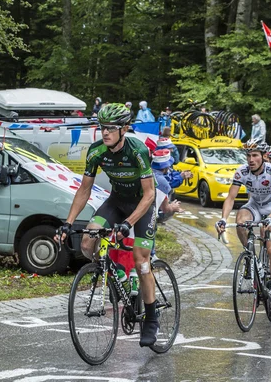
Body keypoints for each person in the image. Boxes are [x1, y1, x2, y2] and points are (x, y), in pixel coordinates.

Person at [55, 103, 160, 347]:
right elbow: (84, 189)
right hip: (116, 202)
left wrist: (128, 223)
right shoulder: (96, 151)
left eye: (110, 128)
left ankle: (152, 317)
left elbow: (149, 195)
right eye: (102, 128)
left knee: (142, 262)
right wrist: (68, 222)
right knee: (88, 239)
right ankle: (120, 276)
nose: (105, 133)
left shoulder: (137, 151)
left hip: (142, 205)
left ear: (124, 129)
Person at [215, 138, 271, 317]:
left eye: (255, 155)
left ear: (263, 156)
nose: (251, 159)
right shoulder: (242, 172)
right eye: (248, 155)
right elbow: (231, 198)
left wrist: (270, 218)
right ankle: (249, 255)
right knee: (240, 220)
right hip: (254, 204)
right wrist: (223, 219)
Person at [151, 149, 183, 223]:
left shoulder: (147, 173)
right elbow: (165, 208)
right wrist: (173, 207)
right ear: (166, 166)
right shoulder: (163, 182)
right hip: (150, 218)